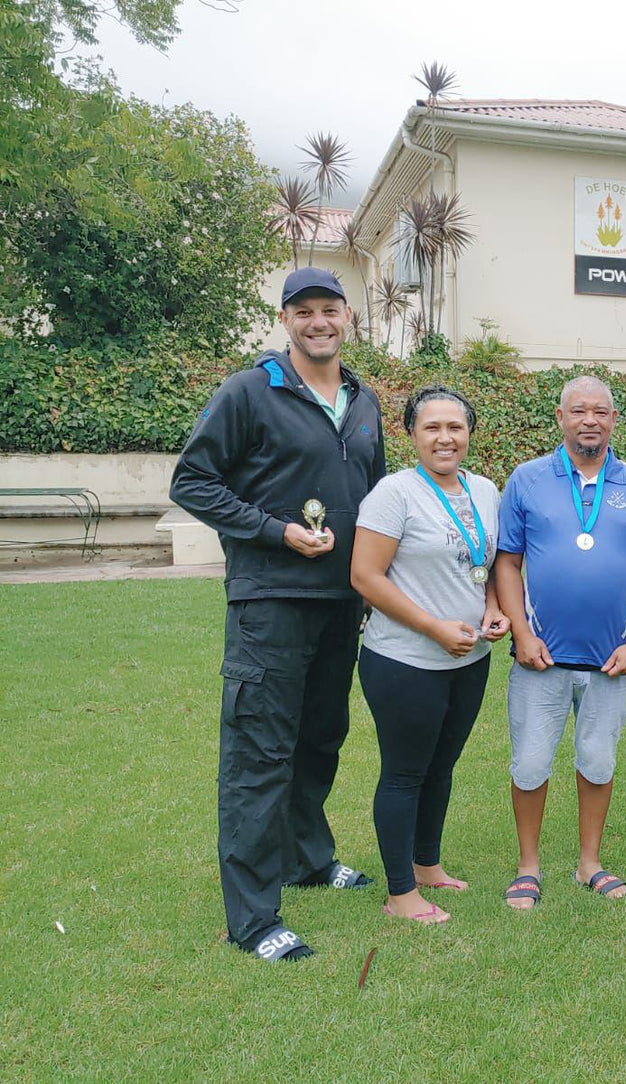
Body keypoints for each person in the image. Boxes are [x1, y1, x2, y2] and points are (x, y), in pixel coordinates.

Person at [170, 267, 385, 961]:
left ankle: (307, 859)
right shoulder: (248, 391)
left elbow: (377, 499)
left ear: (347, 317)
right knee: (258, 755)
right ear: (285, 319)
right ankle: (255, 919)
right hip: (270, 601)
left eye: (329, 310)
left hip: (342, 601)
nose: (318, 322)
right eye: (304, 312)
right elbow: (192, 482)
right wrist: (275, 530)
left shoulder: (363, 399)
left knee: (320, 738)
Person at [492, 375, 626, 909]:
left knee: (598, 762)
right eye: (579, 411)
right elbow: (507, 563)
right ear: (560, 418)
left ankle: (589, 863)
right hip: (539, 659)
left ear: (614, 420)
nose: (589, 420)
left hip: (609, 661)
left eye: (600, 411)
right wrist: (522, 633)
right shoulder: (527, 480)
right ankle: (528, 866)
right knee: (529, 764)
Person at [351, 386, 509, 925]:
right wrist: (433, 627)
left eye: (455, 427)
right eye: (432, 428)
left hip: (466, 661)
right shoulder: (393, 495)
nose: (445, 438)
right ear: (411, 434)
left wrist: (492, 608)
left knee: (441, 767)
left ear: (469, 433)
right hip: (404, 661)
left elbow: (482, 563)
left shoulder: (485, 490)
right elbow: (365, 577)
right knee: (404, 773)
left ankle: (427, 866)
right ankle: (400, 894)